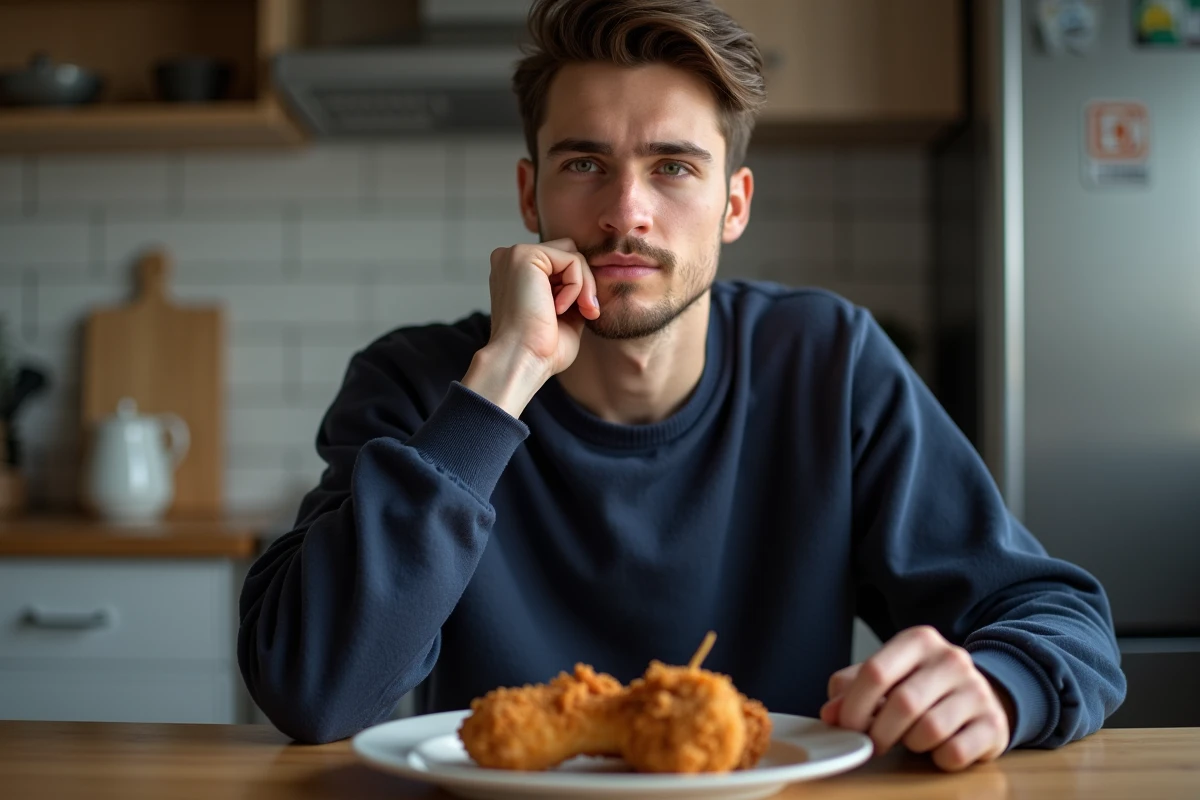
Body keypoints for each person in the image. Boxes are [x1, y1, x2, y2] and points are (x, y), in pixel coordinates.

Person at [237, 0, 1125, 771]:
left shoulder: (828, 360)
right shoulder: (418, 384)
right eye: (584, 163)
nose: (627, 209)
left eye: (673, 167)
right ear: (529, 193)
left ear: (734, 204)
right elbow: (312, 689)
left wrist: (1001, 688)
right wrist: (500, 386)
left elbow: (1061, 621)